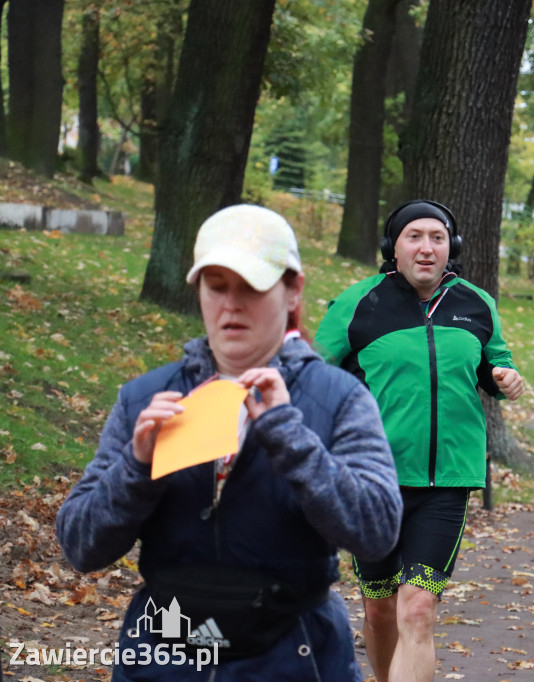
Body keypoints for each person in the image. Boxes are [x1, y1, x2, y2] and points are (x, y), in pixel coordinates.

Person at [57, 204, 403, 681]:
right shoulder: (145, 399)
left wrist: (289, 435)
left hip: (294, 659)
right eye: (216, 287)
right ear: (198, 291)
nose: (231, 304)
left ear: (292, 290)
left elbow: (377, 532)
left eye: (252, 287)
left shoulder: (338, 397)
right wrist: (137, 466)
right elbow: (81, 545)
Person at [314, 199, 524, 682]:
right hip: (372, 482)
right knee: (381, 610)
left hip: (445, 483)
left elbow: (496, 364)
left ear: (452, 247)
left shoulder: (476, 303)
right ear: (395, 247)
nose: (427, 247)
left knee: (417, 608)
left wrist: (505, 378)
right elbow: (313, 373)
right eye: (415, 236)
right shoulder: (357, 303)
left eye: (437, 237)